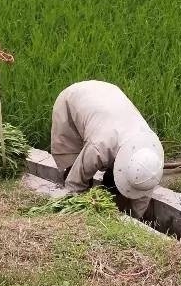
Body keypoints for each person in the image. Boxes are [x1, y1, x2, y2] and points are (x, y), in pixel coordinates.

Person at [50, 80, 163, 218]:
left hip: (109, 99)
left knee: (112, 184)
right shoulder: (99, 147)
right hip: (74, 100)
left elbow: (142, 196)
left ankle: (110, 192)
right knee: (73, 167)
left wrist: (133, 221)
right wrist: (78, 212)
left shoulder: (151, 161)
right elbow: (74, 183)